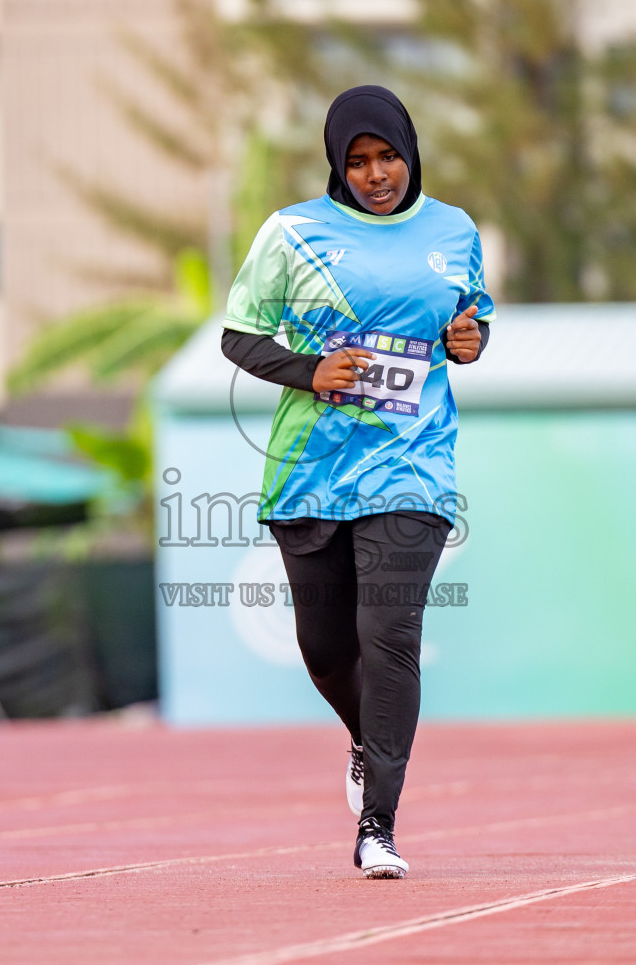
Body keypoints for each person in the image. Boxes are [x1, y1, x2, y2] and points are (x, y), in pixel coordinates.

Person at [219, 84, 494, 879]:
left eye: (388, 157)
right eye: (359, 161)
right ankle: (365, 741)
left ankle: (380, 824)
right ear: (338, 166)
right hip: (310, 469)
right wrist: (313, 370)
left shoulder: (454, 231)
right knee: (325, 647)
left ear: (410, 152)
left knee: (391, 637)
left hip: (413, 464)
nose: (377, 174)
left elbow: (471, 324)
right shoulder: (293, 233)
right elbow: (239, 337)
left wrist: (471, 340)